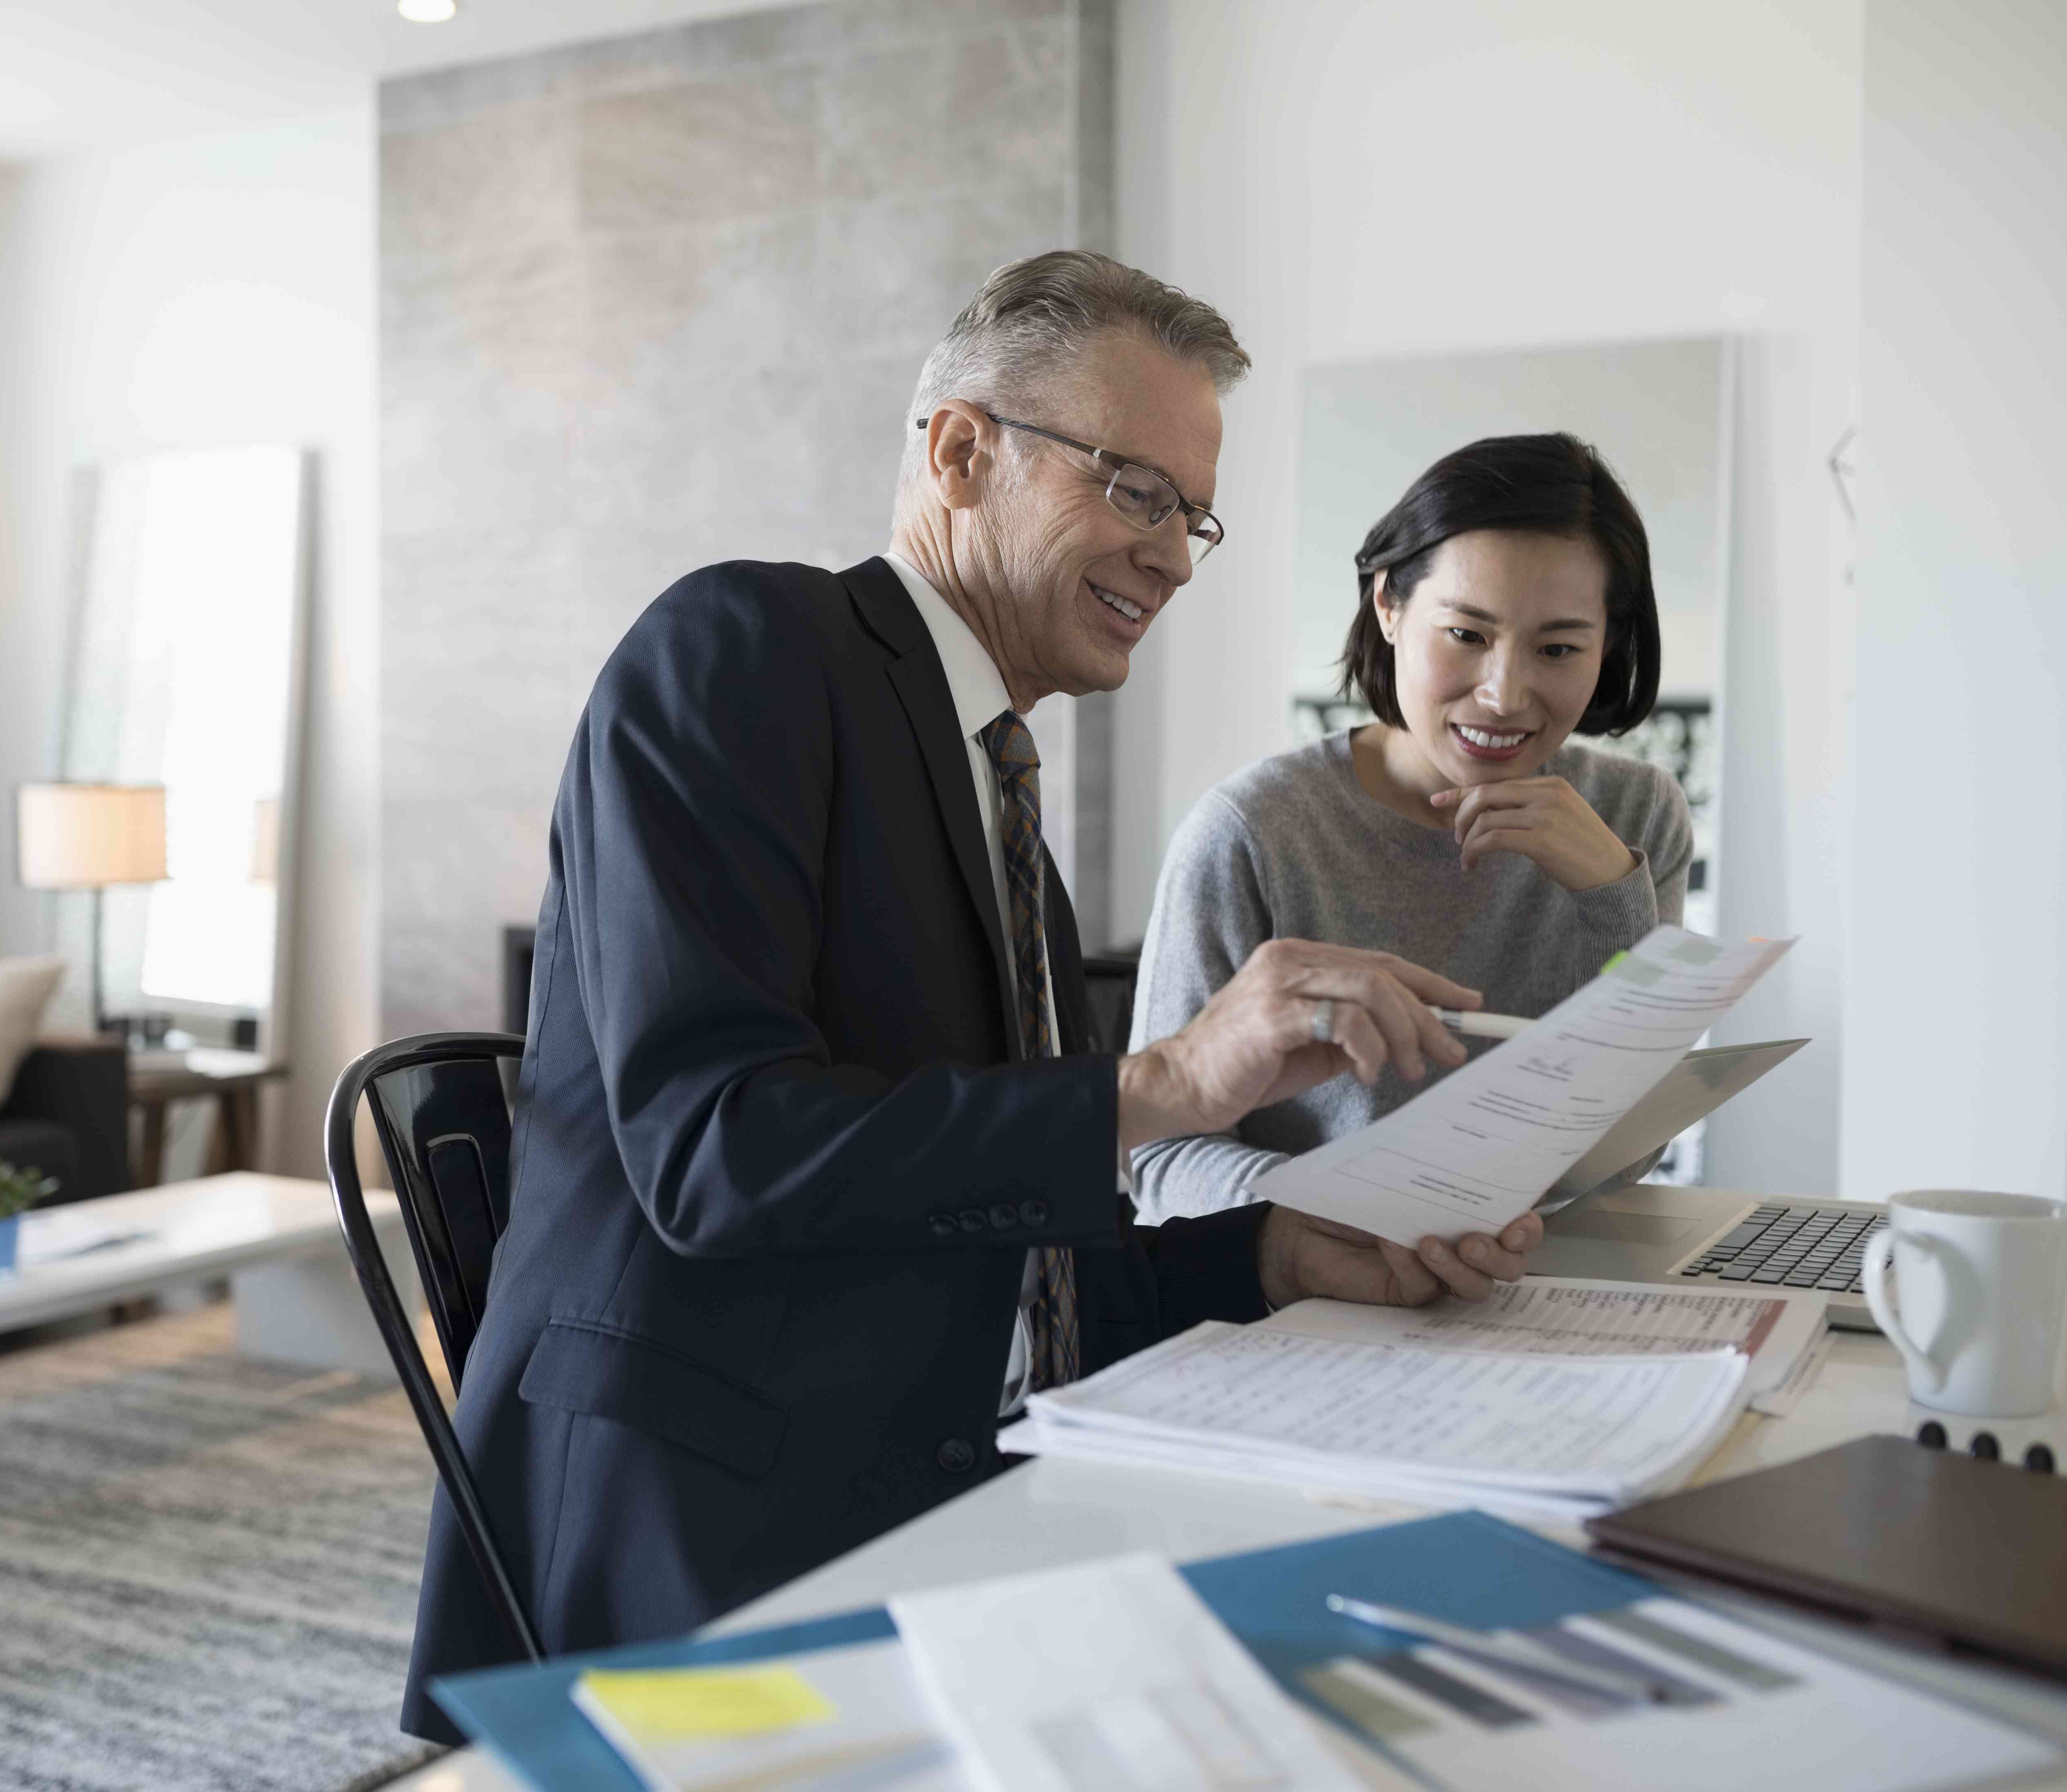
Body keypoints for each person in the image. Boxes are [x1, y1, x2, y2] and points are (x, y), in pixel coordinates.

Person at [400, 252, 1543, 1741]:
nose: (1178, 558)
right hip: (705, 1525)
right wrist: (1169, 1082)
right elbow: (718, 1152)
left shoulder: (997, 796)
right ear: (959, 451)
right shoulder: (746, 650)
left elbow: (1017, 1248)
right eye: (1137, 491)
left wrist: (1280, 1256)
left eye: (1192, 516)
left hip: (956, 1478)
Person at [1128, 432, 1696, 1221]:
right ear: (1389, 605)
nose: (1504, 695)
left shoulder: (1636, 821)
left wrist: (1612, 897)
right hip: (1315, 1302)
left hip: (1547, 1291)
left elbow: (1626, 1160)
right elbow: (1157, 1158)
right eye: (1467, 635)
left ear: (1609, 648)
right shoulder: (1250, 833)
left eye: (1559, 648)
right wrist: (1359, 1223)